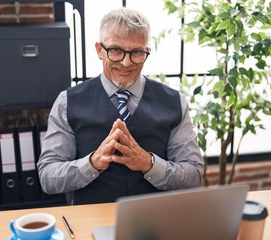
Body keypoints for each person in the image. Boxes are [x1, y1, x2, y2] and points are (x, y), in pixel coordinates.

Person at [37, 7, 204, 205]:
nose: (126, 63)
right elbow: (48, 177)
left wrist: (148, 163)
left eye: (137, 52)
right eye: (116, 51)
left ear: (147, 52)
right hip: (90, 219)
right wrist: (92, 163)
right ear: (100, 50)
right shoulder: (66, 102)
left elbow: (194, 175)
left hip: (156, 219)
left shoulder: (174, 102)